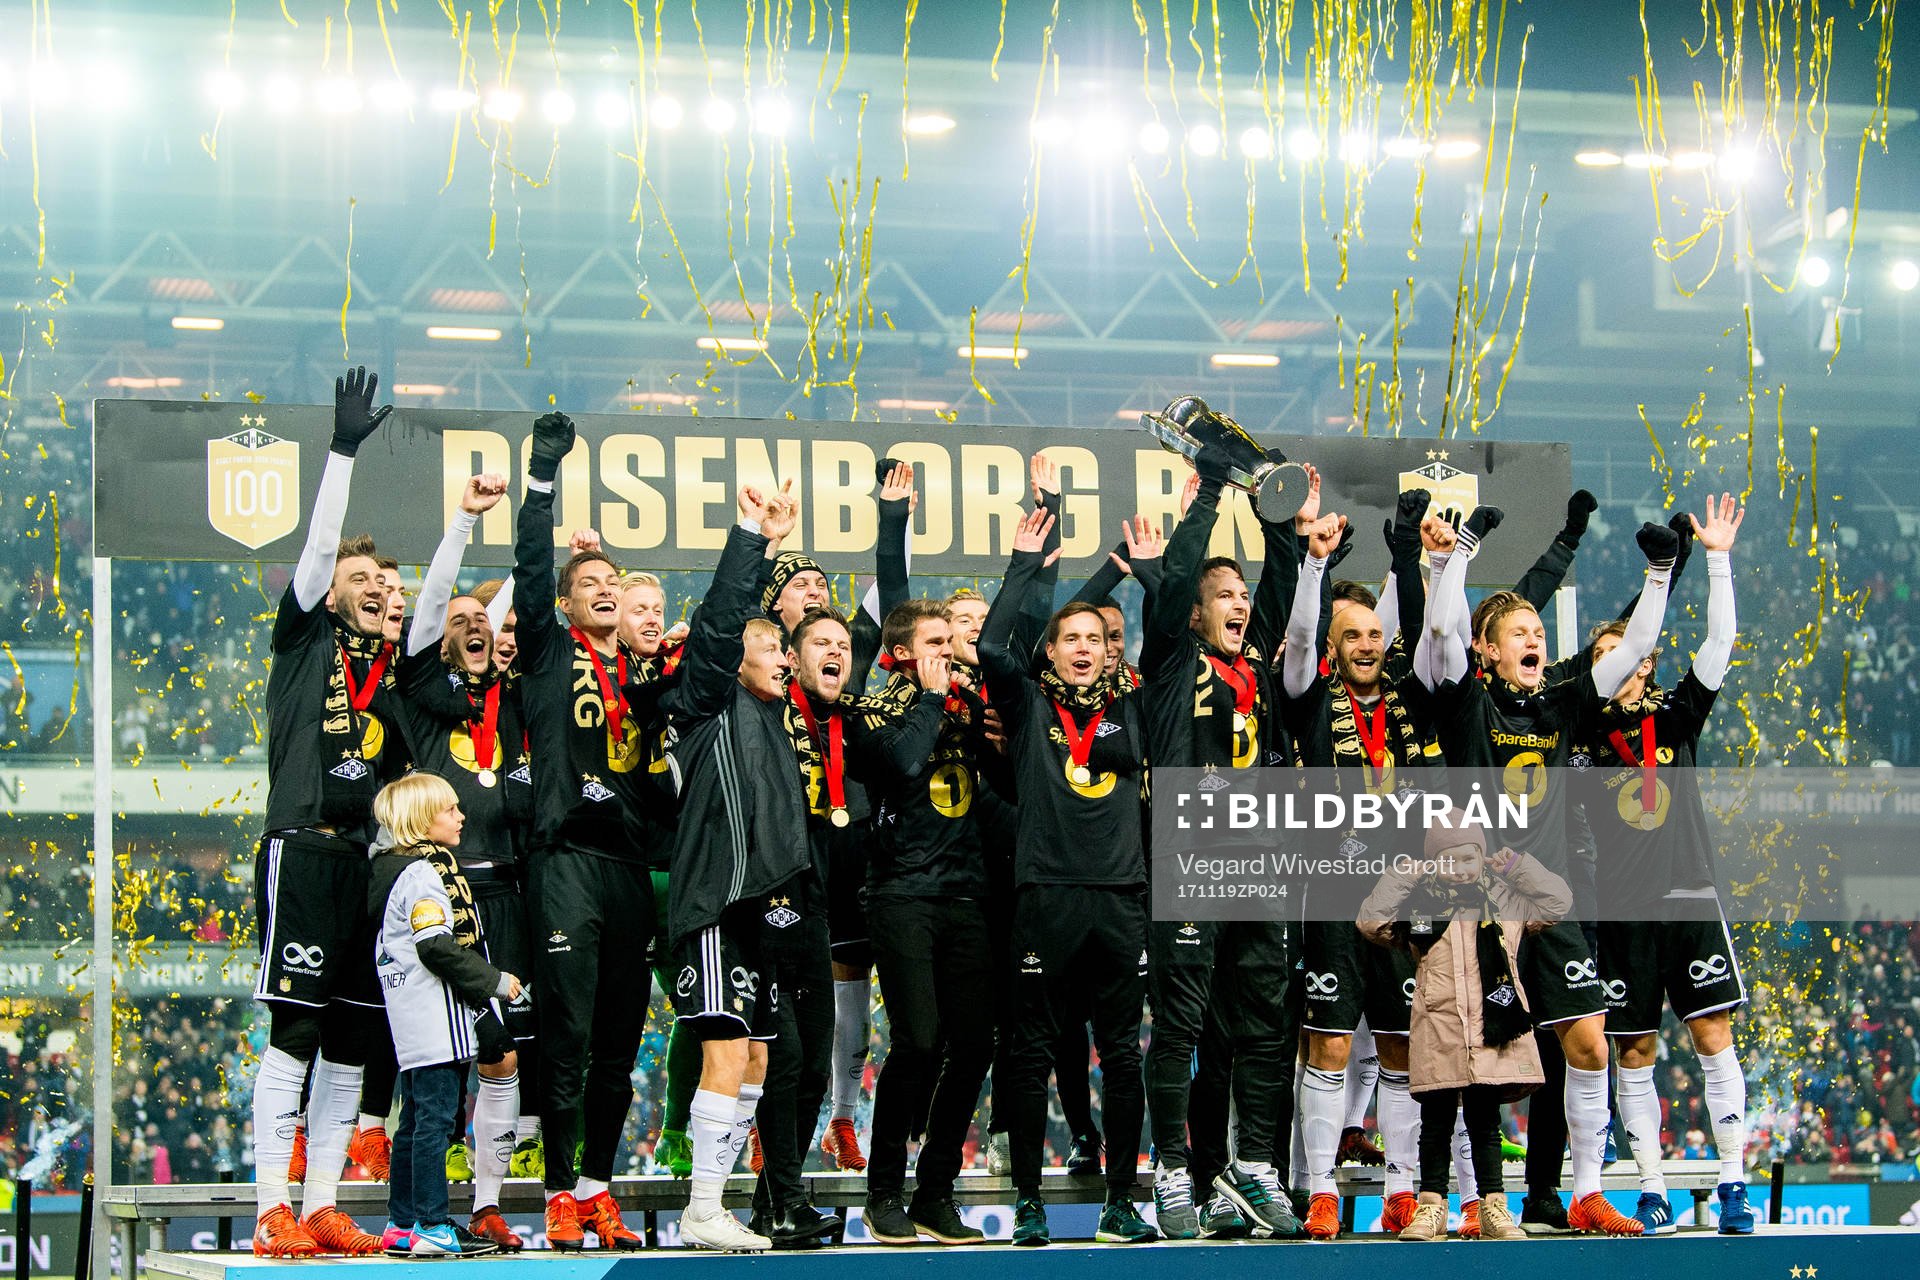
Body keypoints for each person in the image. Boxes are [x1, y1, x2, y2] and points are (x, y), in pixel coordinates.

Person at [1414, 505, 1678, 1236]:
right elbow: (1440, 630)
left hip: (1549, 902)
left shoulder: (1563, 701)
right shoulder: (1465, 701)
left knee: (1588, 1042)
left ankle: (1585, 1191)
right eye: (1519, 634)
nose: (1534, 640)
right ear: (1489, 651)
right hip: (1477, 907)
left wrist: (1658, 576)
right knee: (1478, 1062)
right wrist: (1461, 553)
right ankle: (1477, 1202)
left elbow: (1632, 652)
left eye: (1538, 631)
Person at [662, 482, 843, 1251]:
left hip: (763, 914)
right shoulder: (706, 703)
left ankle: (723, 1201)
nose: (780, 657)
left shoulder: (775, 715)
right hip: (715, 905)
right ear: (733, 659)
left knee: (764, 1059)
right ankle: (702, 1207)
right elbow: (718, 628)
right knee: (731, 1051)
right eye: (767, 647)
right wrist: (751, 539)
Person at [246, 368, 396, 1259]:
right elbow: (316, 551)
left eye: (383, 577)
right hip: (300, 851)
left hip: (362, 867)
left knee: (349, 1033)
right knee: (296, 1029)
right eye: (357, 576)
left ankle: (323, 1203)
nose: (372, 585)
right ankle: (273, 1206)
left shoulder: (393, 672)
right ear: (328, 591)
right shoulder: (302, 640)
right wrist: (342, 451)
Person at [979, 506, 1157, 1248]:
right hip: (1045, 894)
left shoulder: (1138, 709)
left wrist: (1147, 572)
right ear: (1049, 654)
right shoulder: (1027, 705)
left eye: (1095, 639)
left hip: (1120, 896)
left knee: (1120, 1054)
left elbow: (1176, 642)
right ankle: (1028, 1201)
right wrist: (1024, 565)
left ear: (1111, 653)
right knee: (1028, 1050)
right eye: (1070, 639)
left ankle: (1120, 1202)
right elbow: (991, 645)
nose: (1084, 649)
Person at [1138, 458, 1306, 1242]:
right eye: (1223, 598)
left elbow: (1277, 589)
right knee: (1180, 1024)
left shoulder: (1256, 663)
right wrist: (1209, 495)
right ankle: (1172, 1166)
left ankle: (1256, 1167)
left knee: (1265, 1025)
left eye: (1241, 597)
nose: (1238, 605)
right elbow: (1172, 590)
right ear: (1197, 617)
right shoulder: (1173, 659)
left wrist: (1281, 509)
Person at [1580, 493, 1755, 1235]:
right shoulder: (1581, 731)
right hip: (1620, 908)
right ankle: (1650, 1186)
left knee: (1714, 1034)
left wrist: (1716, 560)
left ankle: (1735, 1185)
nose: (1622, 665)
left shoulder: (1674, 715)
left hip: (1688, 896)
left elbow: (1717, 649)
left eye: (1632, 654)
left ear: (1648, 660)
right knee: (1636, 1049)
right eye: (1605, 656)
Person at [509, 411, 651, 1250]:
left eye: (612, 581)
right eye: (587, 582)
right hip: (562, 860)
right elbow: (532, 570)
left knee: (618, 1042)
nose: (602, 589)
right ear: (564, 605)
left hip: (629, 865)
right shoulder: (546, 651)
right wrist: (540, 481)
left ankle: (597, 1188)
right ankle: (559, 1190)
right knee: (565, 1033)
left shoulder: (642, 668)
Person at [1280, 490, 1437, 1238]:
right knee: (1333, 1042)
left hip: (1403, 896)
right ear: (1334, 647)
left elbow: (1408, 619)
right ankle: (1316, 1189)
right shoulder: (1310, 697)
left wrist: (1414, 551)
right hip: (1333, 896)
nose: (1368, 643)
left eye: (1377, 633)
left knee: (1405, 1044)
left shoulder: (1402, 701)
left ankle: (1401, 1192)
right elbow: (1303, 636)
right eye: (1354, 635)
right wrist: (1314, 568)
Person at [394, 472, 536, 1249]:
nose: (476, 625)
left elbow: (517, 615)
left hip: (510, 893)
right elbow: (433, 607)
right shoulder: (420, 693)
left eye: (485, 619)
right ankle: (419, 1212)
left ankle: (483, 1205)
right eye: (461, 620)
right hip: (445, 898)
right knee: (438, 1072)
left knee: (503, 1054)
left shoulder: (510, 700)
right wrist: (462, 523)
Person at [1359, 811, 1573, 1243]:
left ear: (1481, 856)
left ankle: (1494, 1209)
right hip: (1439, 1032)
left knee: (1484, 1125)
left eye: (1468, 858)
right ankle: (1431, 1210)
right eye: (1448, 860)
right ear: (1433, 862)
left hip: (1493, 1031)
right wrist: (1405, 876)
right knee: (1434, 1126)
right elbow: (1371, 921)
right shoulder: (1420, 905)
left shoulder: (1505, 900)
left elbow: (1558, 902)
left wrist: (1517, 867)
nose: (1459, 869)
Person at [852, 598, 995, 1245]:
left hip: (964, 893)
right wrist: (933, 699)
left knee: (973, 1045)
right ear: (904, 652)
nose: (947, 649)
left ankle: (935, 1192)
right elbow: (905, 763)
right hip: (901, 892)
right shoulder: (878, 709)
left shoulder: (968, 703)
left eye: (950, 639)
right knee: (917, 1039)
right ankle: (883, 1193)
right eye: (934, 640)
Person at [367, 772, 519, 1258]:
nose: (461, 816)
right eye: (450, 809)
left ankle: (402, 1222)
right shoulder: (422, 874)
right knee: (434, 1122)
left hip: (408, 1014)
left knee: (413, 1122)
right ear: (421, 820)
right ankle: (433, 1225)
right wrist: (494, 981)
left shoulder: (386, 870)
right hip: (435, 1015)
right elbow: (436, 946)